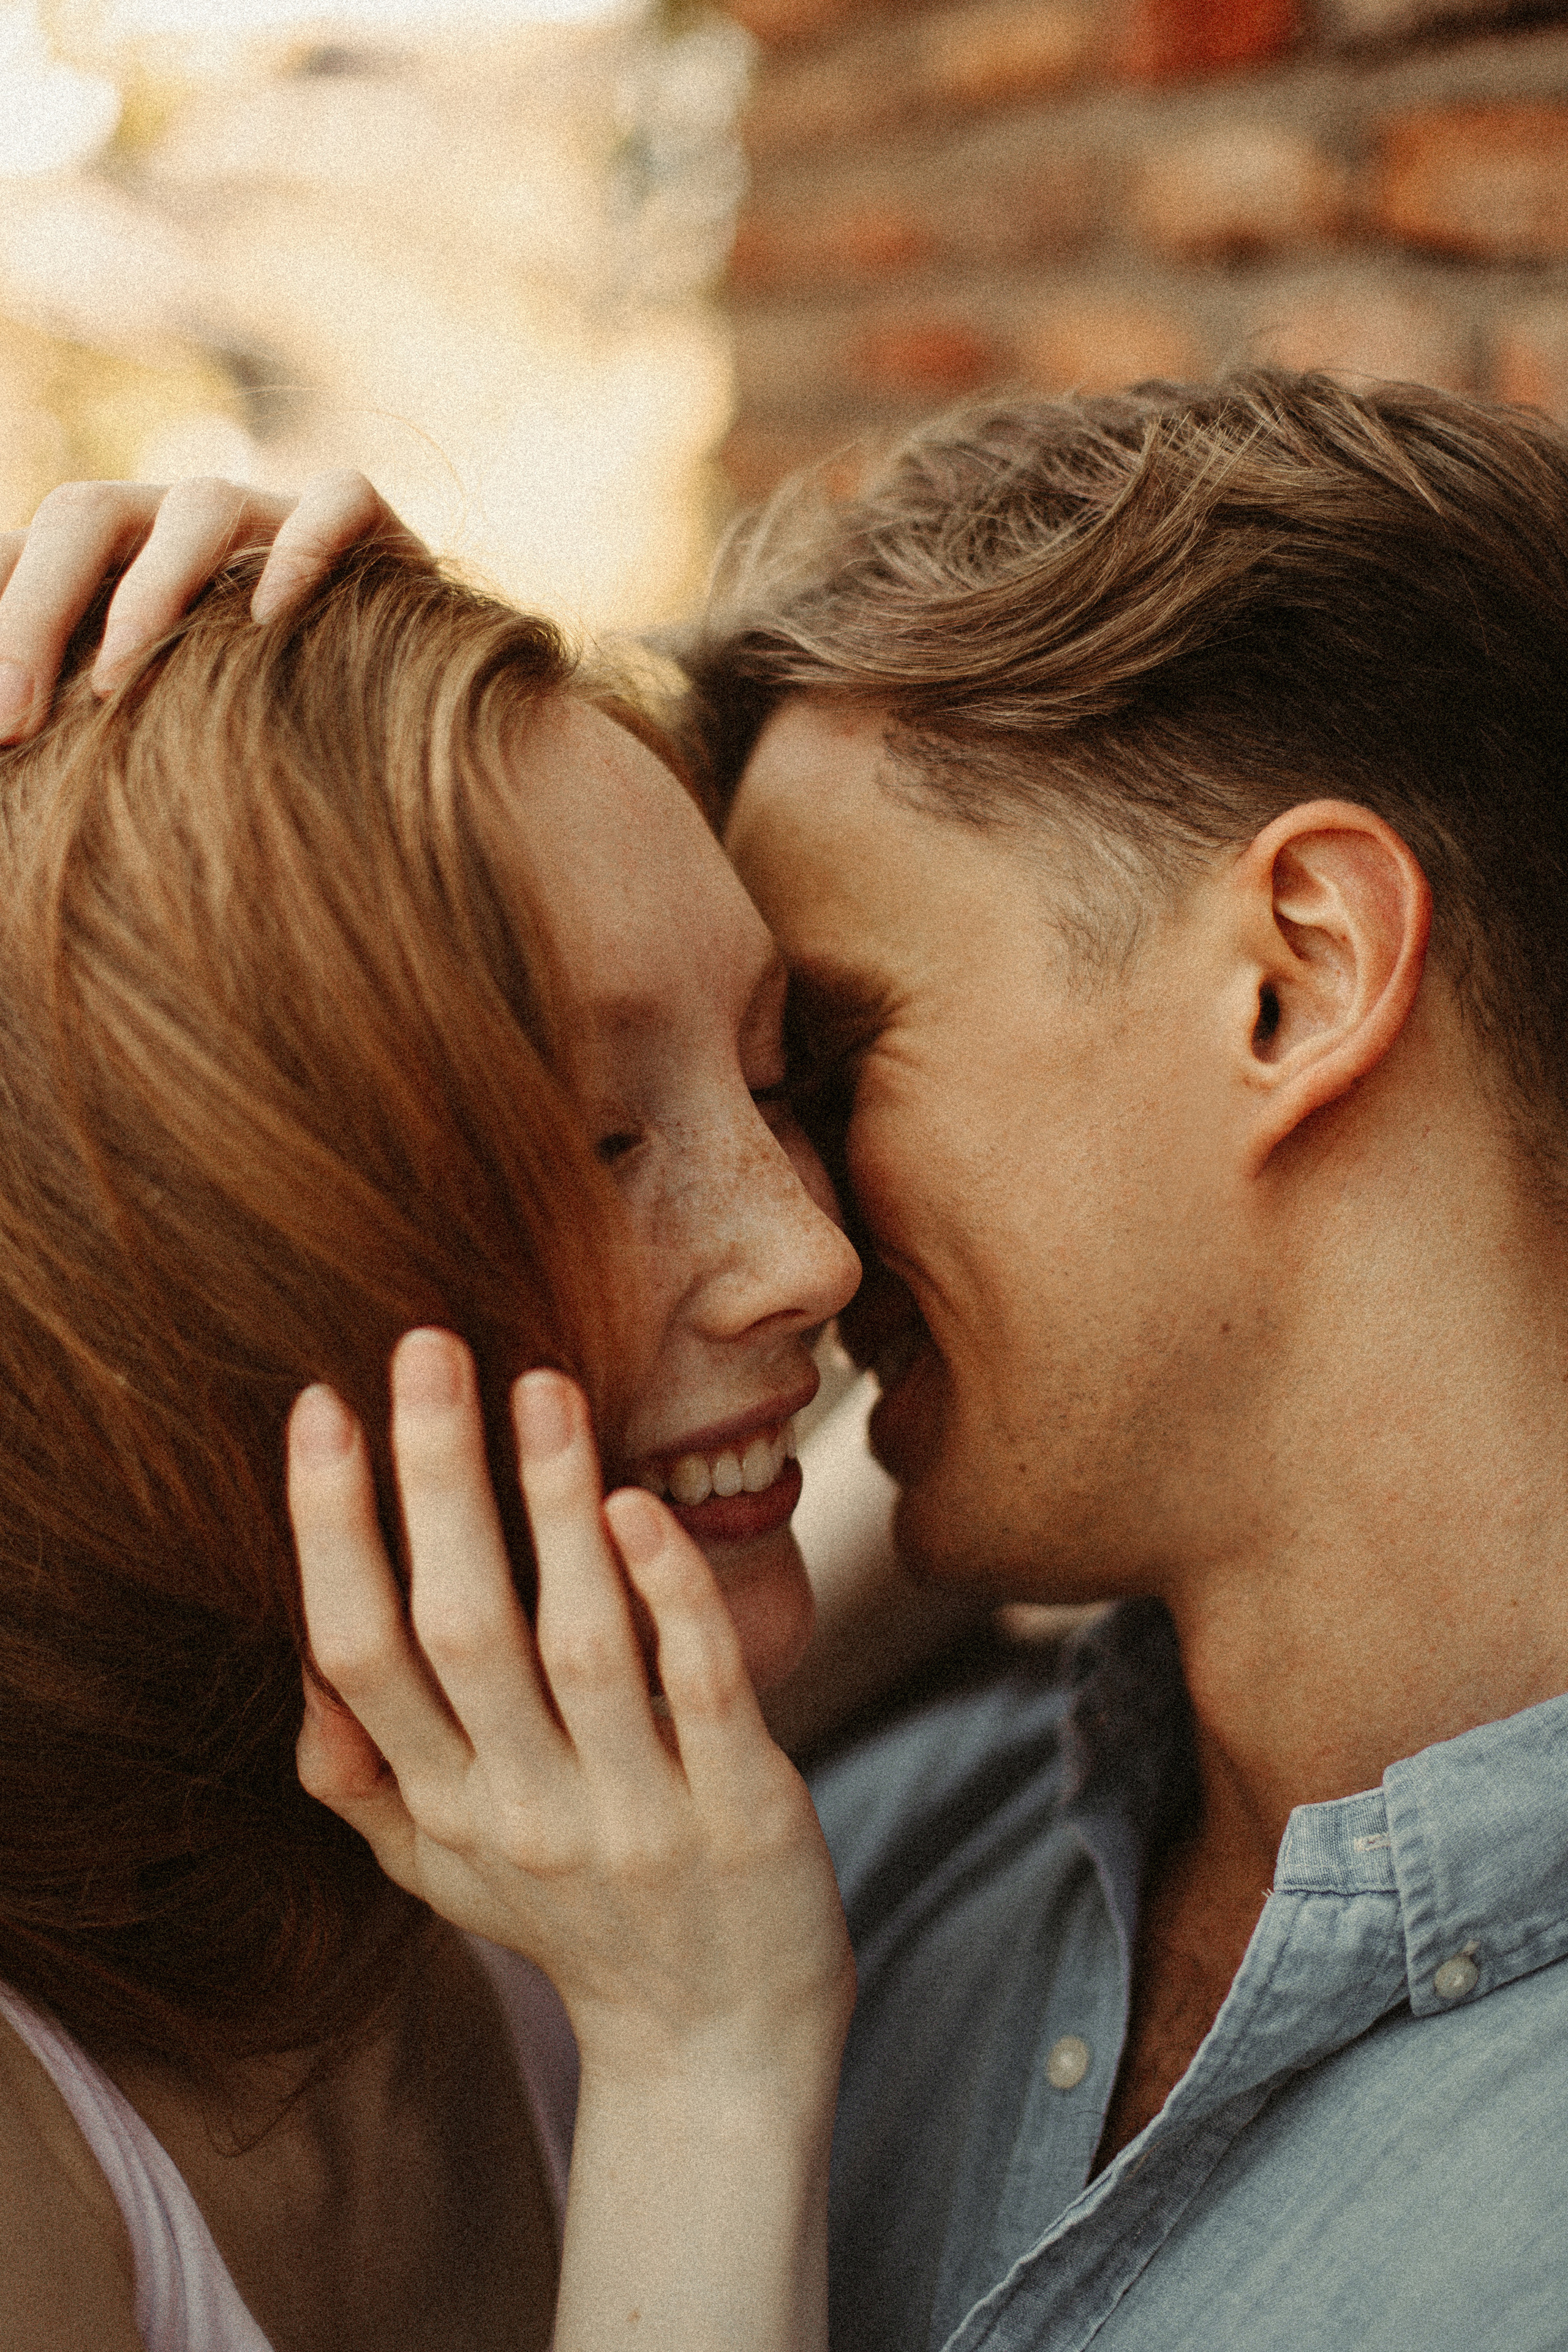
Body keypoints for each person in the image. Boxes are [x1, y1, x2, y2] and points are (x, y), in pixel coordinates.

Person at [15, 361, 1568, 2348]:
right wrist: (257, 801)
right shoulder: (784, 1845)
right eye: (628, 1129)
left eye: (819, 1060)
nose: (807, 1243)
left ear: (1294, 982)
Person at [0, 533, 868, 2352]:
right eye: (600, 1147)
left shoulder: (559, 1750)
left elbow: (1012, 1489)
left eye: (776, 1081)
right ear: (172, 1251)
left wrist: (286, 669)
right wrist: (705, 2059)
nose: (809, 1256)